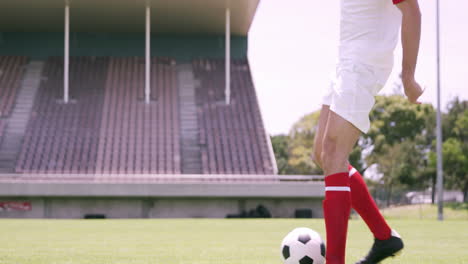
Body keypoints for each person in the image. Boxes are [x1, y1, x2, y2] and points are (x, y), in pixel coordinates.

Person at [311, 0, 423, 263]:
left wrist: (408, 76)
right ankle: (385, 238)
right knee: (322, 154)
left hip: (364, 64)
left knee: (334, 153)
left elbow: (412, 9)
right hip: (345, 62)